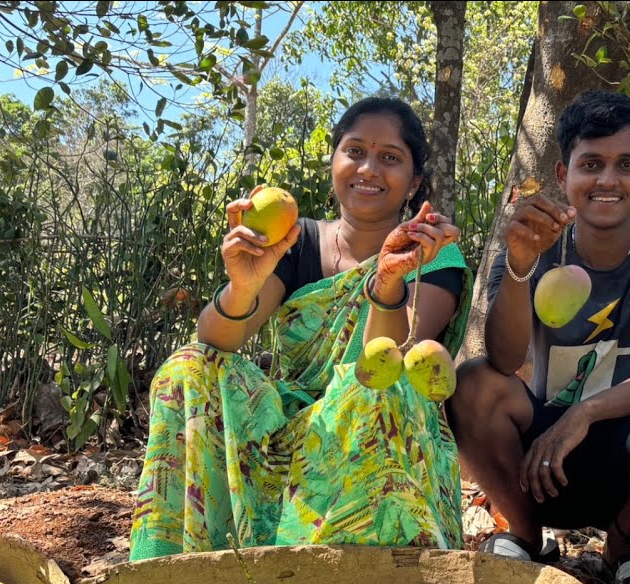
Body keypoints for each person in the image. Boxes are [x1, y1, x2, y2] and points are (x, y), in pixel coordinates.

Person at [129, 97, 473, 560]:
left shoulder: (435, 253)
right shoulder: (298, 240)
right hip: (289, 433)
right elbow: (213, 341)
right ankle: (175, 570)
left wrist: (388, 280)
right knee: (186, 368)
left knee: (374, 391)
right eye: (355, 151)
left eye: (389, 158)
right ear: (334, 163)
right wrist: (243, 284)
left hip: (383, 432)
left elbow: (383, 365)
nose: (369, 169)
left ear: (413, 183)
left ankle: (359, 581)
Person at [448, 90, 630, 584]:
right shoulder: (532, 242)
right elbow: (503, 357)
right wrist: (520, 266)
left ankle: (626, 543)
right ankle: (523, 534)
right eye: (591, 164)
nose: (608, 180)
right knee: (473, 380)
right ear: (564, 176)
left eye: (626, 164)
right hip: (540, 464)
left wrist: (585, 412)